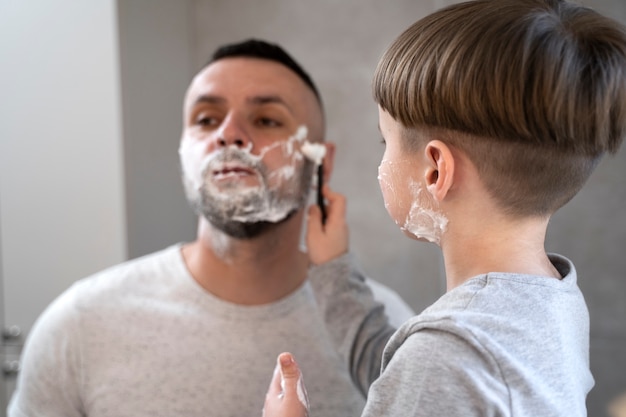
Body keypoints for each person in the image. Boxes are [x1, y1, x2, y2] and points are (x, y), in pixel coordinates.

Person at [8, 39, 414, 417]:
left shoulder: (385, 334)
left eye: (267, 119)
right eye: (206, 119)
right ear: (184, 150)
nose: (229, 134)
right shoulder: (78, 326)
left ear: (319, 164)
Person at [263, 0, 626, 416]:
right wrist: (333, 272)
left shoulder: (443, 357)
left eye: (387, 143)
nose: (381, 160)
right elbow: (405, 374)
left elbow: (428, 370)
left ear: (436, 170)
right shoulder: (552, 301)